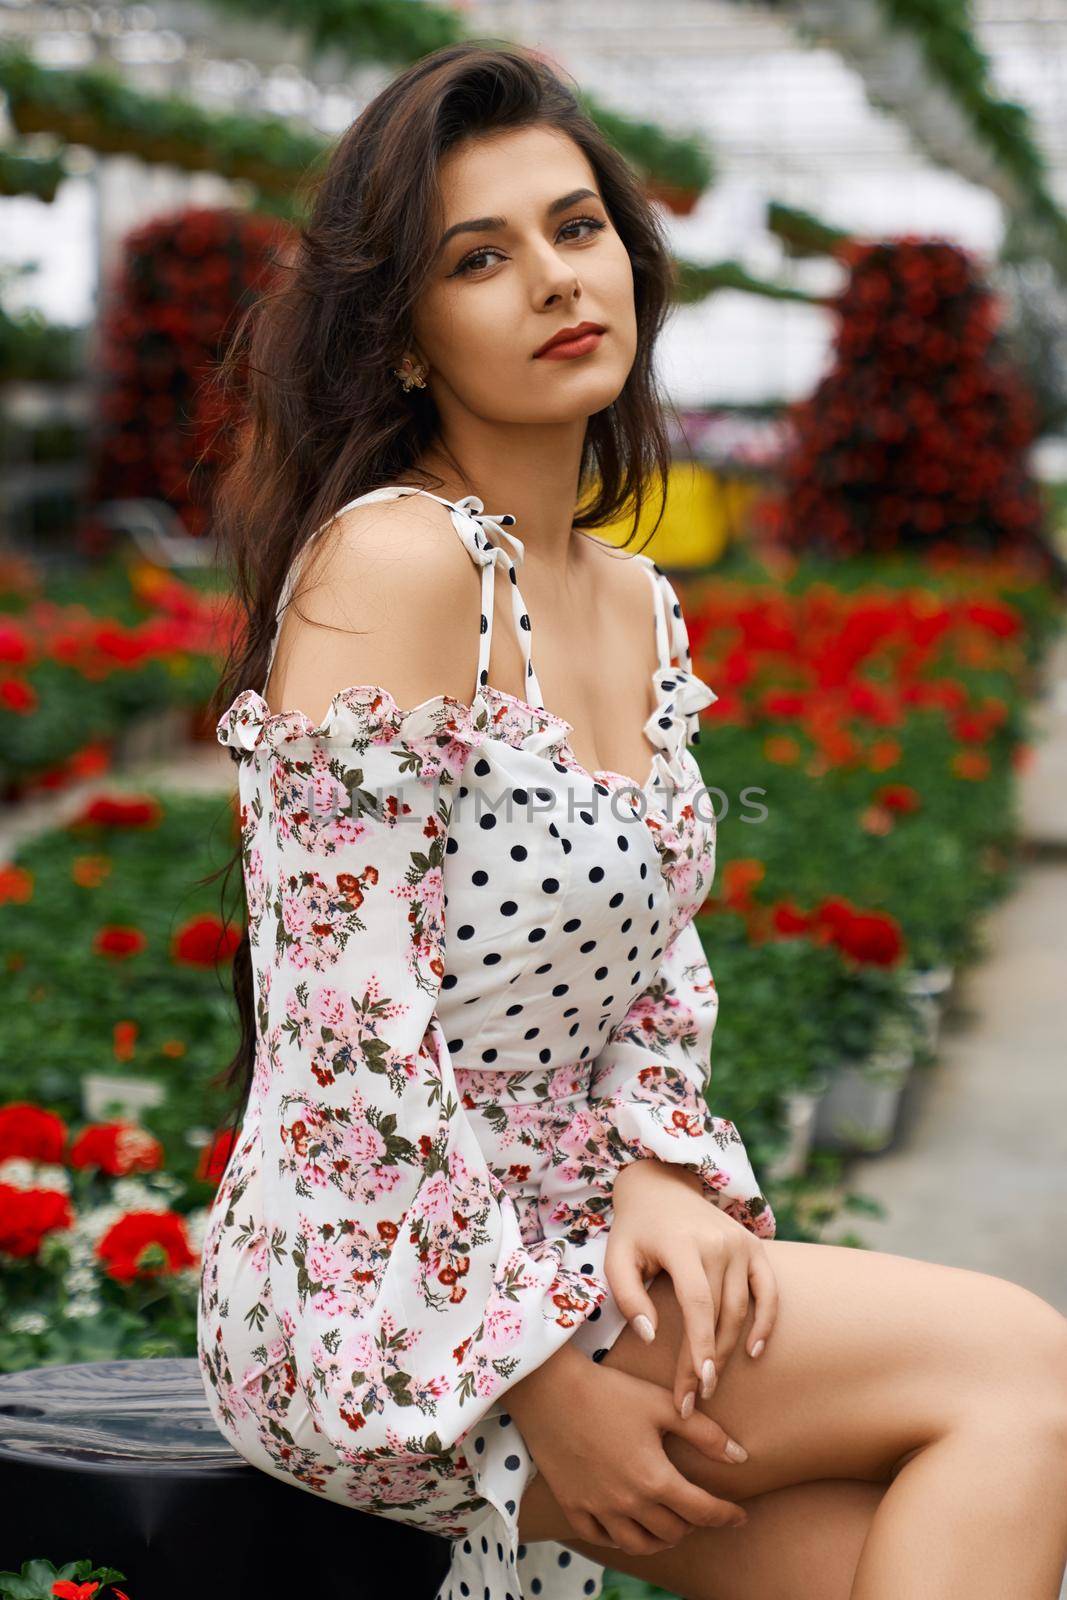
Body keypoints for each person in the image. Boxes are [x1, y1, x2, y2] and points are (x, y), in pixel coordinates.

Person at [197, 40, 1067, 1600]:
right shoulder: (395, 565)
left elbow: (653, 964)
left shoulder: (630, 599)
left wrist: (664, 1171)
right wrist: (533, 1377)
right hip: (376, 1280)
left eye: (575, 227)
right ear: (403, 339)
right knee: (1028, 1374)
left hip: (582, 1225)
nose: (550, 280)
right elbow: (346, 1039)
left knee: (902, 1552)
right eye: (480, 257)